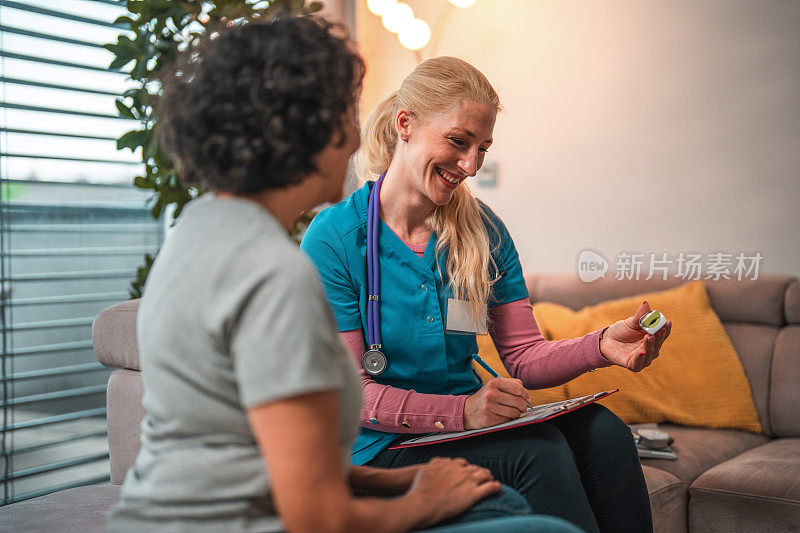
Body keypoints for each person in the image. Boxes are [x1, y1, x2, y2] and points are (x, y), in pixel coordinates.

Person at [107, 17, 580, 533]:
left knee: (507, 505)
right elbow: (314, 514)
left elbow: (261, 454)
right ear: (307, 130)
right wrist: (423, 502)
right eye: (345, 114)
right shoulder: (277, 274)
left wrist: (405, 483)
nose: (359, 133)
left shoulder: (197, 232)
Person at [300, 56, 673, 533]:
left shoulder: (484, 232)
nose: (471, 166)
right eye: (459, 142)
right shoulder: (334, 238)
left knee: (606, 434)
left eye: (482, 149)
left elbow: (524, 355)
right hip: (379, 447)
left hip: (472, 426)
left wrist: (601, 345)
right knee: (537, 455)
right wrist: (463, 411)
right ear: (405, 124)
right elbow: (352, 397)